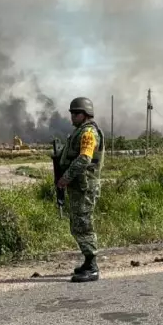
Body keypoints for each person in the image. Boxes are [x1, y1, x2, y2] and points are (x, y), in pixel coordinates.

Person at [56, 96, 105, 283]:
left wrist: (65, 178)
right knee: (78, 224)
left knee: (84, 224)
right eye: (71, 113)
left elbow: (84, 158)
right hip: (80, 187)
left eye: (75, 113)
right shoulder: (80, 132)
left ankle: (92, 267)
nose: (72, 116)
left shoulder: (88, 133)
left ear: (85, 114)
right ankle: (87, 261)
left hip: (84, 187)